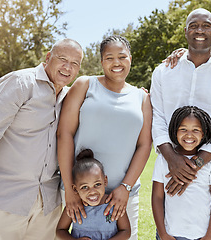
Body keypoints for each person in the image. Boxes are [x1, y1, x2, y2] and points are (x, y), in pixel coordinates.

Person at [0, 38, 83, 240]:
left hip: (48, 203)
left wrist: (140, 94)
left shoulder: (69, 97)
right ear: (48, 57)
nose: (68, 67)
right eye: (62, 59)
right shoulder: (21, 82)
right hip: (5, 199)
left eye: (75, 63)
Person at [150, 8, 211, 239]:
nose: (200, 30)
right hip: (170, 173)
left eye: (206, 25)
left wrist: (194, 165)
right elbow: (157, 117)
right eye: (194, 25)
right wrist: (173, 160)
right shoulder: (163, 72)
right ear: (185, 31)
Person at [57, 35, 152, 240]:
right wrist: (70, 190)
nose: (116, 62)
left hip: (122, 197)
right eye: (109, 58)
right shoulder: (85, 85)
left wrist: (125, 188)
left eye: (122, 57)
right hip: (80, 194)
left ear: (130, 59)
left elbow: (144, 145)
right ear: (101, 62)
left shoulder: (142, 98)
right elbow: (64, 134)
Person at [152, 106, 211, 240]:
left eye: (196, 130)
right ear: (174, 132)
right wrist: (163, 234)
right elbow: (157, 198)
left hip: (203, 236)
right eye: (183, 129)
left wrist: (210, 235)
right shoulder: (163, 161)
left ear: (204, 133)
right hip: (171, 235)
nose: (189, 135)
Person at [56, 149, 130, 240]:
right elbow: (60, 230)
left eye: (97, 185)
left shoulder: (113, 204)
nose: (92, 192)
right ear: (75, 189)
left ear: (105, 181)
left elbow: (126, 231)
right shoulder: (75, 207)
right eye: (85, 187)